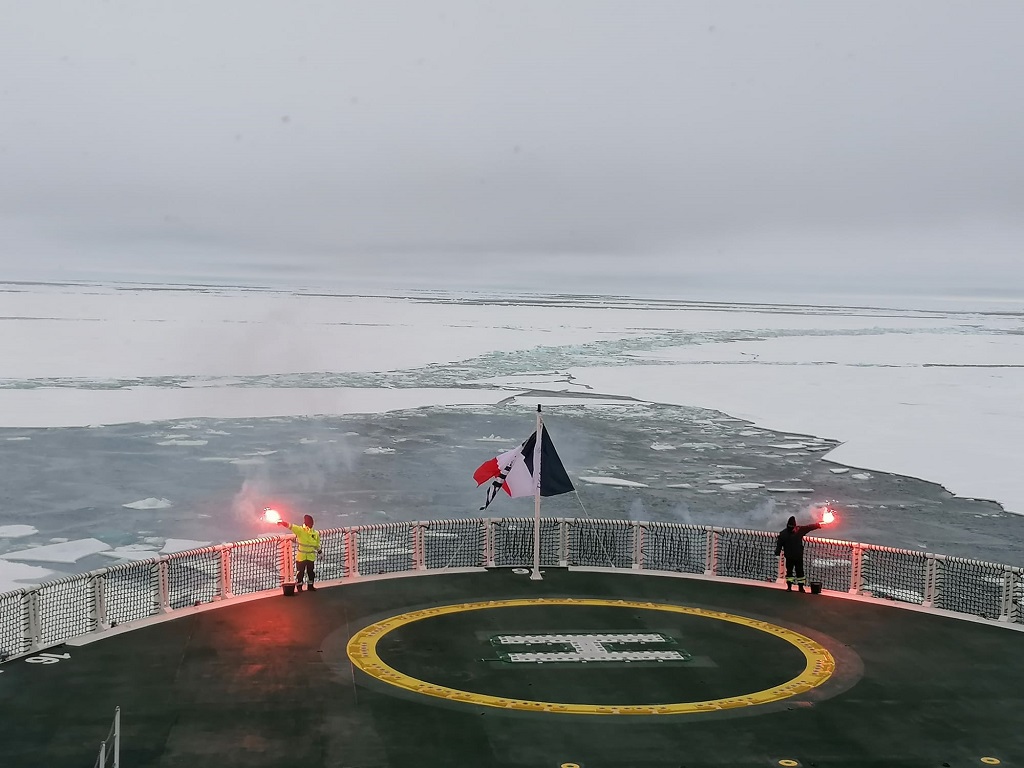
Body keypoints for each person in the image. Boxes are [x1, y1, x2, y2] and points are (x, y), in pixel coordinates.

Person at [774, 515, 821, 592]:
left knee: (792, 572)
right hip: (796, 556)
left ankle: (792, 587)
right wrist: (817, 525)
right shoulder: (798, 530)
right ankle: (798, 587)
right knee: (797, 572)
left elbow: (779, 545)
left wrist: (777, 553)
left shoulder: (783, 533)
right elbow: (808, 527)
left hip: (791, 556)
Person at [277, 514, 321, 591]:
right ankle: (299, 586)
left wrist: (320, 551)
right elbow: (290, 526)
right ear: (307, 523)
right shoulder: (300, 530)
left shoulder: (315, 533)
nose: (312, 524)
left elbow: (317, 544)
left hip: (311, 556)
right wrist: (282, 522)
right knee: (300, 572)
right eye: (310, 522)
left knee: (311, 572)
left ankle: (310, 586)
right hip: (301, 556)